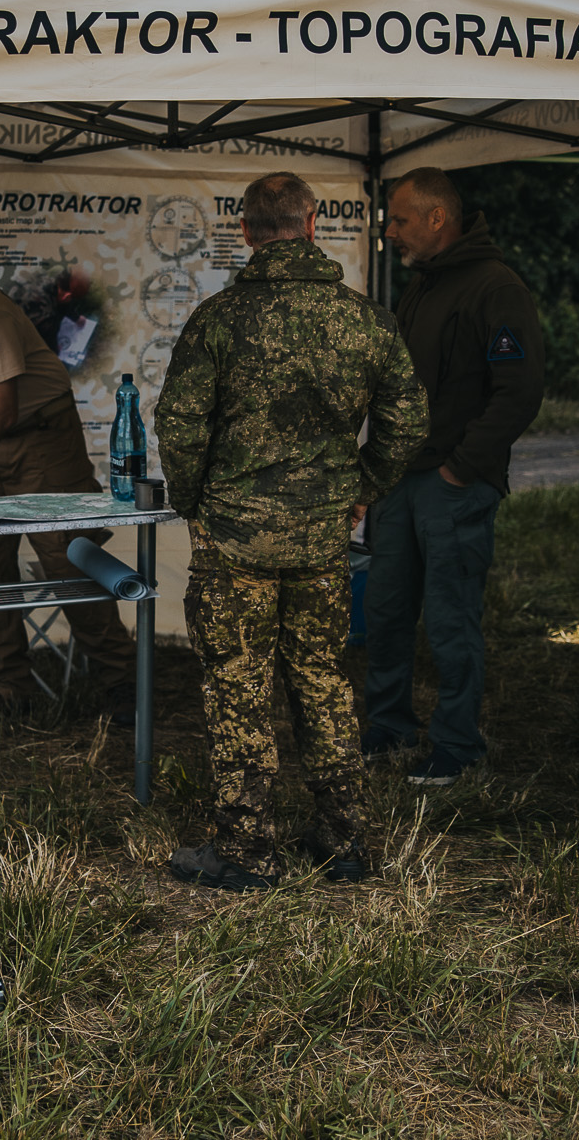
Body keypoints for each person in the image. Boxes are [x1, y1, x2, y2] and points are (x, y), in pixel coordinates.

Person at [156, 171, 426, 892]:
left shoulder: (218, 320)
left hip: (234, 541)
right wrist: (359, 489)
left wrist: (194, 501)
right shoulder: (366, 320)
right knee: (321, 680)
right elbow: (408, 423)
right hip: (320, 541)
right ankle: (346, 840)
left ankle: (248, 850)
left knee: (239, 686)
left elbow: (178, 425)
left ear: (245, 231)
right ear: (313, 223)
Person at [362, 166, 544, 785]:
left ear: (438, 218)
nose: (390, 232)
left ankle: (456, 745)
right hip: (399, 483)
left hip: (451, 488)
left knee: (449, 620)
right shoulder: (423, 286)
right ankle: (386, 727)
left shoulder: (497, 288)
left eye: (401, 220)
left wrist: (460, 471)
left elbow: (518, 392)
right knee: (384, 614)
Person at [0, 278, 138, 717]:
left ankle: (121, 682)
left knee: (69, 559)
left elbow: (1, 409)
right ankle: (8, 688)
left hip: (38, 438)